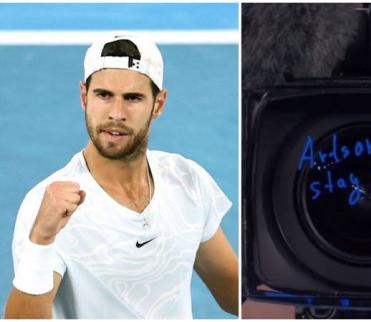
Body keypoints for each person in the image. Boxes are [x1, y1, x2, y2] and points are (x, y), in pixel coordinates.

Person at [5, 33, 238, 319]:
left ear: (158, 104)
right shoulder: (47, 207)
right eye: (103, 95)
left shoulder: (187, 179)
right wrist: (41, 238)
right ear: (83, 97)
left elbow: (233, 293)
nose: (116, 113)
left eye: (132, 98)